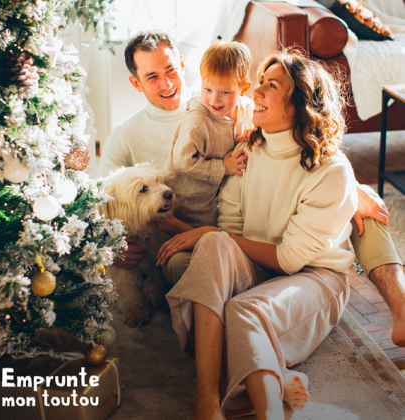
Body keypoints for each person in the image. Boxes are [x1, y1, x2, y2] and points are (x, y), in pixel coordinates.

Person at [98, 31, 405, 347]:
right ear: (136, 83)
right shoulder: (125, 135)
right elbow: (96, 205)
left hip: (242, 225)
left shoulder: (220, 95)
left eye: (171, 70)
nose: (167, 83)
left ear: (183, 64)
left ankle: (400, 306)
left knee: (364, 204)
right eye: (152, 77)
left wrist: (350, 187)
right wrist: (111, 249)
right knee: (181, 265)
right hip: (197, 232)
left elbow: (296, 136)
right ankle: (236, 322)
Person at [157, 50, 358, 419]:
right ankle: (207, 400)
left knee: (242, 310)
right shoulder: (249, 149)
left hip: (316, 277)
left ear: (299, 103)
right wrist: (212, 236)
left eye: (271, 85)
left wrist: (210, 234)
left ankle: (269, 408)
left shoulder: (332, 172)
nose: (256, 92)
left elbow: (289, 259)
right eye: (260, 83)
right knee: (217, 242)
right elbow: (230, 231)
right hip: (257, 265)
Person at [163, 41, 253, 228]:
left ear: (243, 89)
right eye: (208, 89)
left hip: (218, 199)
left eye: (224, 92)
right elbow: (182, 161)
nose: (214, 99)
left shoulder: (247, 108)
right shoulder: (197, 120)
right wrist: (223, 168)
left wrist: (254, 133)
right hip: (188, 201)